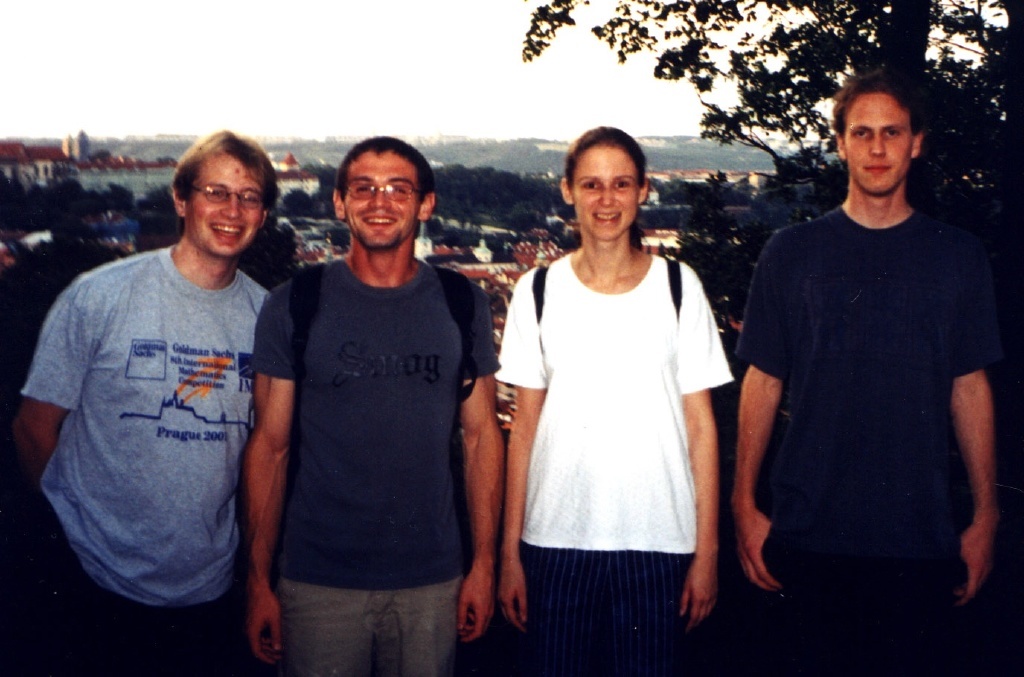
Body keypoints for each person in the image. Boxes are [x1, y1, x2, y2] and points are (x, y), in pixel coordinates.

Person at [732, 68, 1003, 676]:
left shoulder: (958, 256)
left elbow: (970, 388)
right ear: (841, 143)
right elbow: (762, 382)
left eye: (892, 132)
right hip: (805, 535)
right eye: (862, 132)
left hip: (919, 539)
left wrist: (986, 515)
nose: (877, 148)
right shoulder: (791, 253)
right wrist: (744, 503)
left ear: (917, 142)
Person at [11, 130, 277, 676]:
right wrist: (72, 533)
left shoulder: (268, 319)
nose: (232, 210)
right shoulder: (99, 295)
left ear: (264, 214)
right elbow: (33, 428)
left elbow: (266, 453)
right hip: (91, 581)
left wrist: (252, 579)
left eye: (248, 196)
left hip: (209, 591)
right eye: (216, 192)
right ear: (181, 200)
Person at [242, 136, 503, 676]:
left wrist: (483, 565)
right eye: (363, 189)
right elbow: (270, 448)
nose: (380, 202)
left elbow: (482, 439)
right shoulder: (295, 303)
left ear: (425, 205)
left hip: (432, 576)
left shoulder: (461, 302)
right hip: (318, 579)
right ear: (339, 203)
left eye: (398, 189)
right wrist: (258, 580)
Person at [497, 127, 731, 676]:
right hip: (554, 541)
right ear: (568, 191)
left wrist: (708, 553)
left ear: (643, 190)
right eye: (592, 184)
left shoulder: (679, 287)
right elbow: (524, 430)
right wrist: (510, 554)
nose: (606, 199)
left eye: (621, 183)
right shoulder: (537, 291)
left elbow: (701, 429)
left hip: (660, 544)